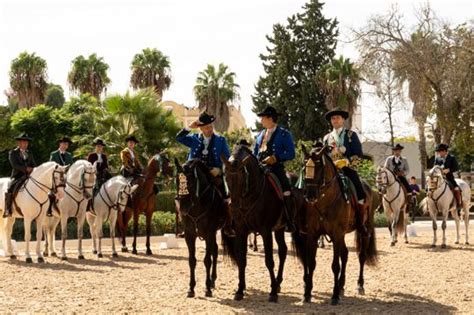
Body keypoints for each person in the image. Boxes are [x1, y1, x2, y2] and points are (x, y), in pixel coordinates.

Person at [176, 112, 235, 236]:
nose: (209, 129)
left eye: (210, 127)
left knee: (225, 195)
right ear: (200, 128)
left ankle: (228, 224)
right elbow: (179, 138)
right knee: (182, 193)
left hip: (213, 173)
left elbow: (227, 158)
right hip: (194, 173)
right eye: (206, 127)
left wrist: (219, 169)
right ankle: (186, 224)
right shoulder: (194, 138)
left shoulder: (221, 140)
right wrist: (189, 127)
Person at [253, 106, 296, 232]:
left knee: (286, 189)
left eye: (263, 118)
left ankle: (289, 220)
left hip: (275, 168)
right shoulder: (260, 135)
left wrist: (276, 158)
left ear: (270, 118)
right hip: (260, 167)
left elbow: (291, 153)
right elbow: (255, 153)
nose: (261, 120)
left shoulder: (284, 134)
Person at [323, 108, 366, 204]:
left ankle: (360, 206)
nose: (335, 120)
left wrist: (347, 161)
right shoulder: (327, 138)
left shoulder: (351, 135)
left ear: (343, 120)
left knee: (357, 186)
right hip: (331, 169)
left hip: (347, 169)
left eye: (338, 118)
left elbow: (359, 155)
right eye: (333, 118)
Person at [3, 133, 36, 217]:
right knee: (10, 188)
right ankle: (8, 208)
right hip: (17, 176)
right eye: (23, 142)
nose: (25, 144)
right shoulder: (13, 153)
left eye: (26, 143)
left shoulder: (30, 152)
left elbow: (33, 164)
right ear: (19, 143)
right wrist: (26, 169)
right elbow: (15, 165)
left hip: (29, 176)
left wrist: (33, 169)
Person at [434, 143, 462, 210]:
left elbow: (456, 167)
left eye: (440, 152)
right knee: (431, 188)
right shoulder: (437, 159)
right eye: (438, 152)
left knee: (456, 188)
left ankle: (458, 203)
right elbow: (434, 167)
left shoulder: (452, 158)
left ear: (444, 151)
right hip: (439, 178)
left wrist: (449, 170)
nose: (439, 153)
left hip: (449, 177)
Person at [86, 138, 111, 212]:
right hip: (94, 173)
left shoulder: (104, 156)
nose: (99, 148)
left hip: (103, 173)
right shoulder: (91, 155)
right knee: (93, 188)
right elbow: (89, 166)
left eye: (101, 146)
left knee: (112, 179)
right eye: (98, 146)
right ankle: (89, 204)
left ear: (102, 147)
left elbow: (106, 166)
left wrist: (107, 169)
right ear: (95, 147)